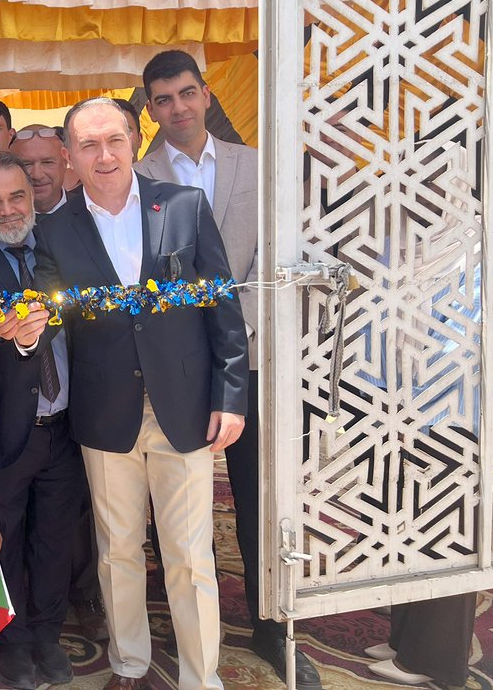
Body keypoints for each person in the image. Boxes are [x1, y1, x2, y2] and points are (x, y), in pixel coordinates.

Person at [30, 97, 249, 690]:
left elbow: (222, 306)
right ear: (69, 156)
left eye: (114, 141)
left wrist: (230, 397)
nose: (104, 156)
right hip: (105, 413)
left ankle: (202, 678)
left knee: (190, 555)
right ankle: (129, 664)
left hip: (183, 406)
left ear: (132, 141)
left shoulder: (183, 205)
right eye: (88, 145)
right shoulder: (54, 230)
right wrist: (25, 329)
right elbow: (49, 316)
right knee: (117, 549)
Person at [134, 49, 322, 689]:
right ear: (151, 109)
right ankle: (193, 619)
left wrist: (234, 336)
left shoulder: (256, 165)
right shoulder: (137, 177)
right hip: (176, 367)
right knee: (178, 501)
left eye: (187, 93)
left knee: (259, 496)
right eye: (163, 99)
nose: (178, 108)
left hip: (254, 358)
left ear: (206, 95)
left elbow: (275, 258)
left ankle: (271, 623)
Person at [0, 152, 85, 689]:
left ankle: (47, 636)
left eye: (16, 197)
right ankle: (9, 643)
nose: (7, 210)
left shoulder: (58, 245)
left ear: (32, 197)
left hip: (67, 427)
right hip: (5, 432)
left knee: (55, 540)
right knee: (0, 540)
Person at [9, 125, 69, 216]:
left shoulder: (89, 212)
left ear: (65, 162)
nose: (37, 175)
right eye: (27, 165)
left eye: (47, 162)